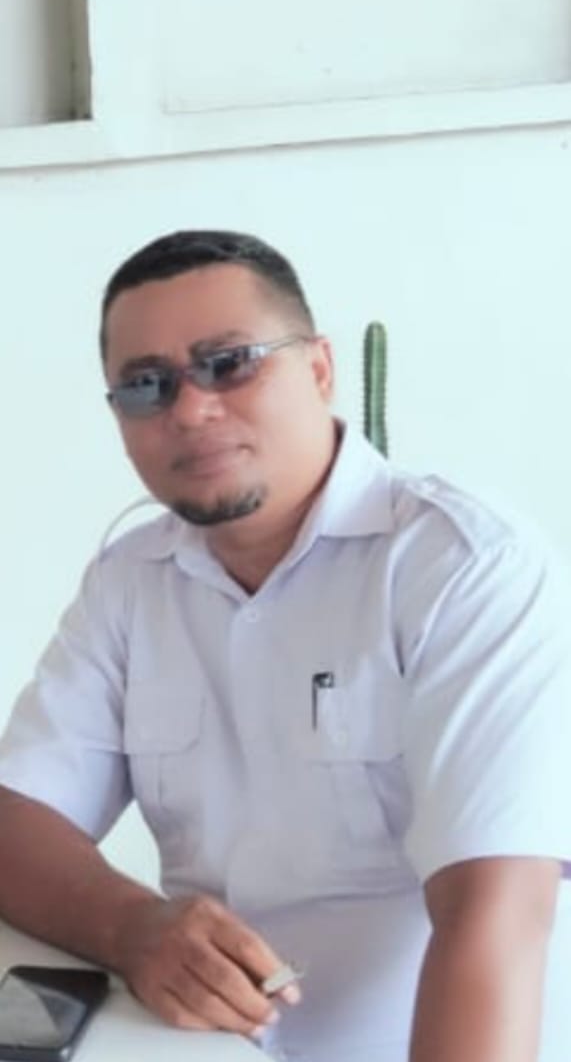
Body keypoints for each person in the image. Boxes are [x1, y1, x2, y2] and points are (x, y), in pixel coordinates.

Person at [0, 229, 570, 1062]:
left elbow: (497, 914)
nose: (190, 409)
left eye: (229, 363)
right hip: (200, 1048)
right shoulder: (130, 580)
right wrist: (134, 926)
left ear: (320, 368)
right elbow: (18, 820)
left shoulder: (462, 567)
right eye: (146, 385)